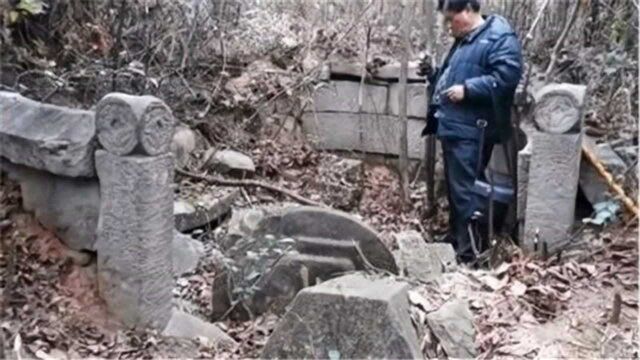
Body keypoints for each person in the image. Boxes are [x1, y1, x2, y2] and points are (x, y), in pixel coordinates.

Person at [418, 0, 523, 264]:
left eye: (451, 19)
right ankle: (457, 240)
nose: (447, 26)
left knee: (467, 192)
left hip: (473, 129)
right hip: (455, 126)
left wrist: (469, 89)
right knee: (457, 191)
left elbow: (507, 78)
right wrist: (433, 74)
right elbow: (451, 79)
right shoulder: (466, 39)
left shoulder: (499, 36)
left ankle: (469, 253)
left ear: (467, 11)